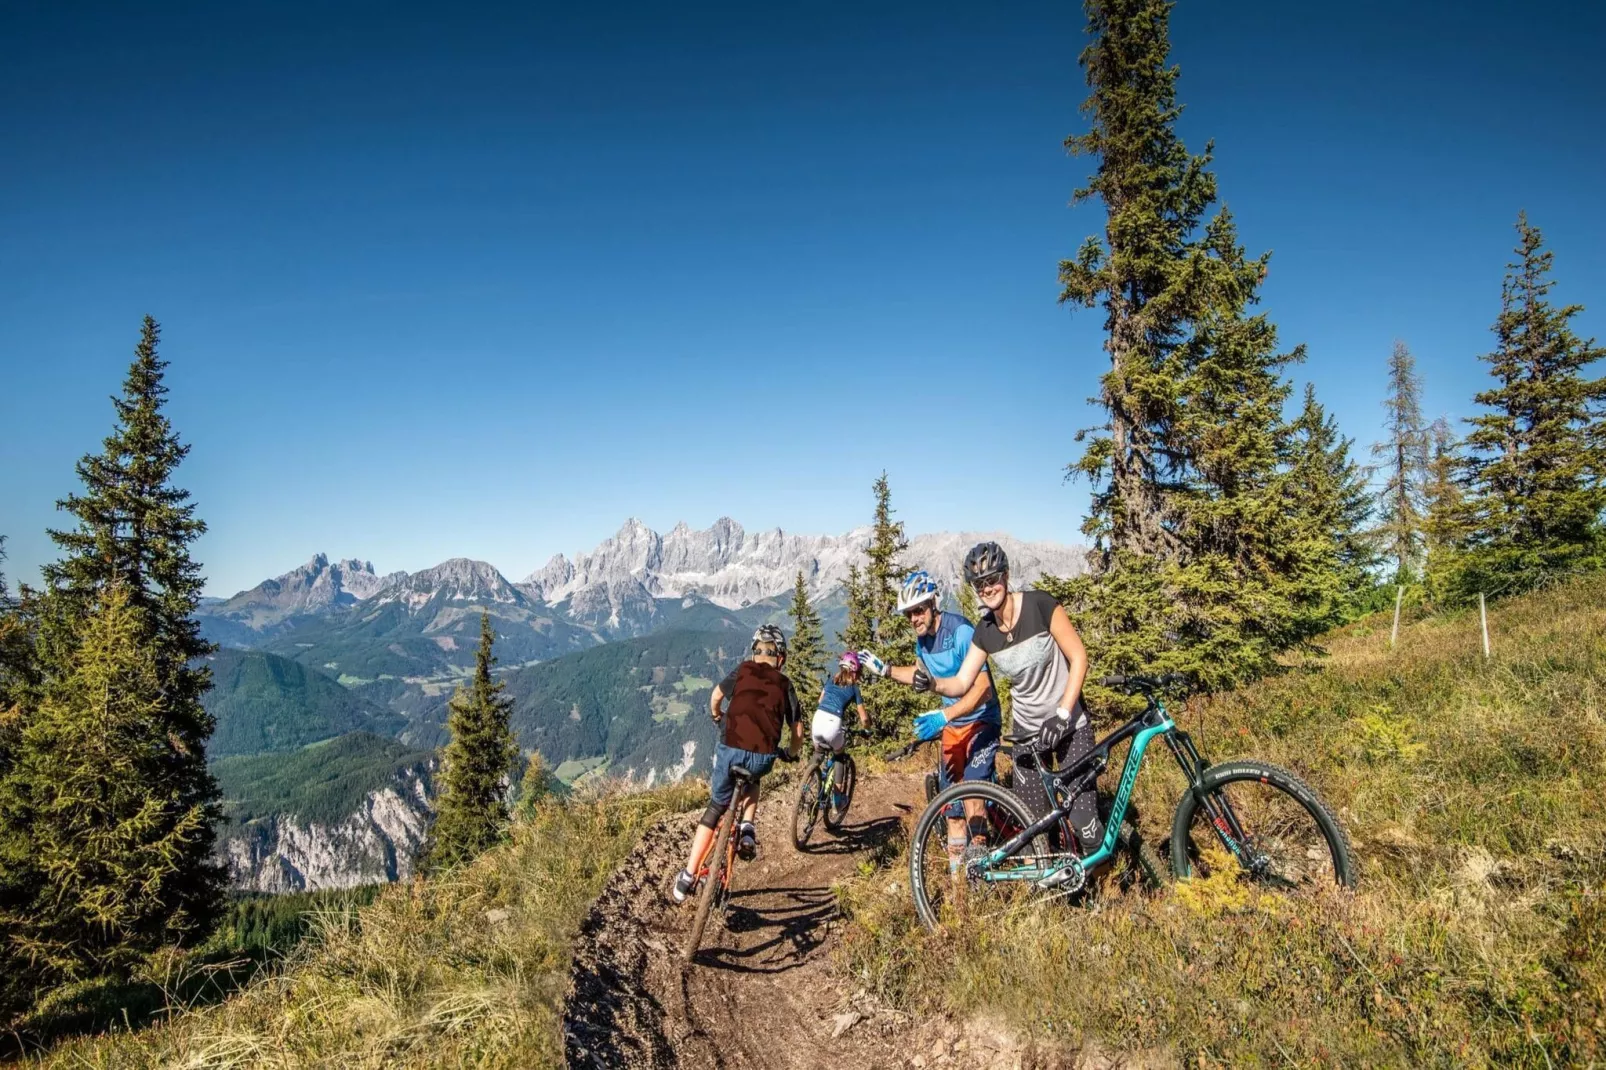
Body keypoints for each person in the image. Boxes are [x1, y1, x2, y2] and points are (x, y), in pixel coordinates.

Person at [866, 544, 1104, 855]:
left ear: (1006, 576)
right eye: (979, 584)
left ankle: (1103, 885)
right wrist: (932, 684)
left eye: (992, 580)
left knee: (1085, 821)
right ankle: (1058, 885)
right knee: (1034, 828)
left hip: (1069, 724)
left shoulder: (1040, 605)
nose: (987, 588)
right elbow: (962, 682)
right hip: (1028, 731)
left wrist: (1062, 713)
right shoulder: (985, 632)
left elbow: (1079, 657)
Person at [861, 569, 1002, 869]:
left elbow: (984, 689)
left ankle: (980, 873)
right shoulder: (921, 642)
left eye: (919, 610)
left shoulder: (961, 631)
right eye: (908, 614)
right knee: (951, 807)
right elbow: (920, 676)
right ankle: (958, 890)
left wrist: (945, 715)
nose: (914, 619)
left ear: (932, 603)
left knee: (973, 795)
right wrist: (884, 669)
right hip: (952, 726)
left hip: (981, 722)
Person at [671, 624, 803, 904]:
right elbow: (797, 731)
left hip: (730, 749)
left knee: (716, 807)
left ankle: (686, 877)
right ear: (780, 657)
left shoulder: (743, 670)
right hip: (762, 757)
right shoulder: (785, 684)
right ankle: (747, 827)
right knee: (754, 779)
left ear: (755, 652)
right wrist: (792, 754)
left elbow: (716, 697)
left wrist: (716, 717)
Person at [812, 651, 871, 810]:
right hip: (833, 722)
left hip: (818, 718)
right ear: (854, 671)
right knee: (839, 756)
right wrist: (867, 730)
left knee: (818, 753)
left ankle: (808, 784)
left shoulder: (832, 679)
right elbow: (864, 718)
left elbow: (820, 700)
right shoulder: (854, 688)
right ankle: (837, 799)